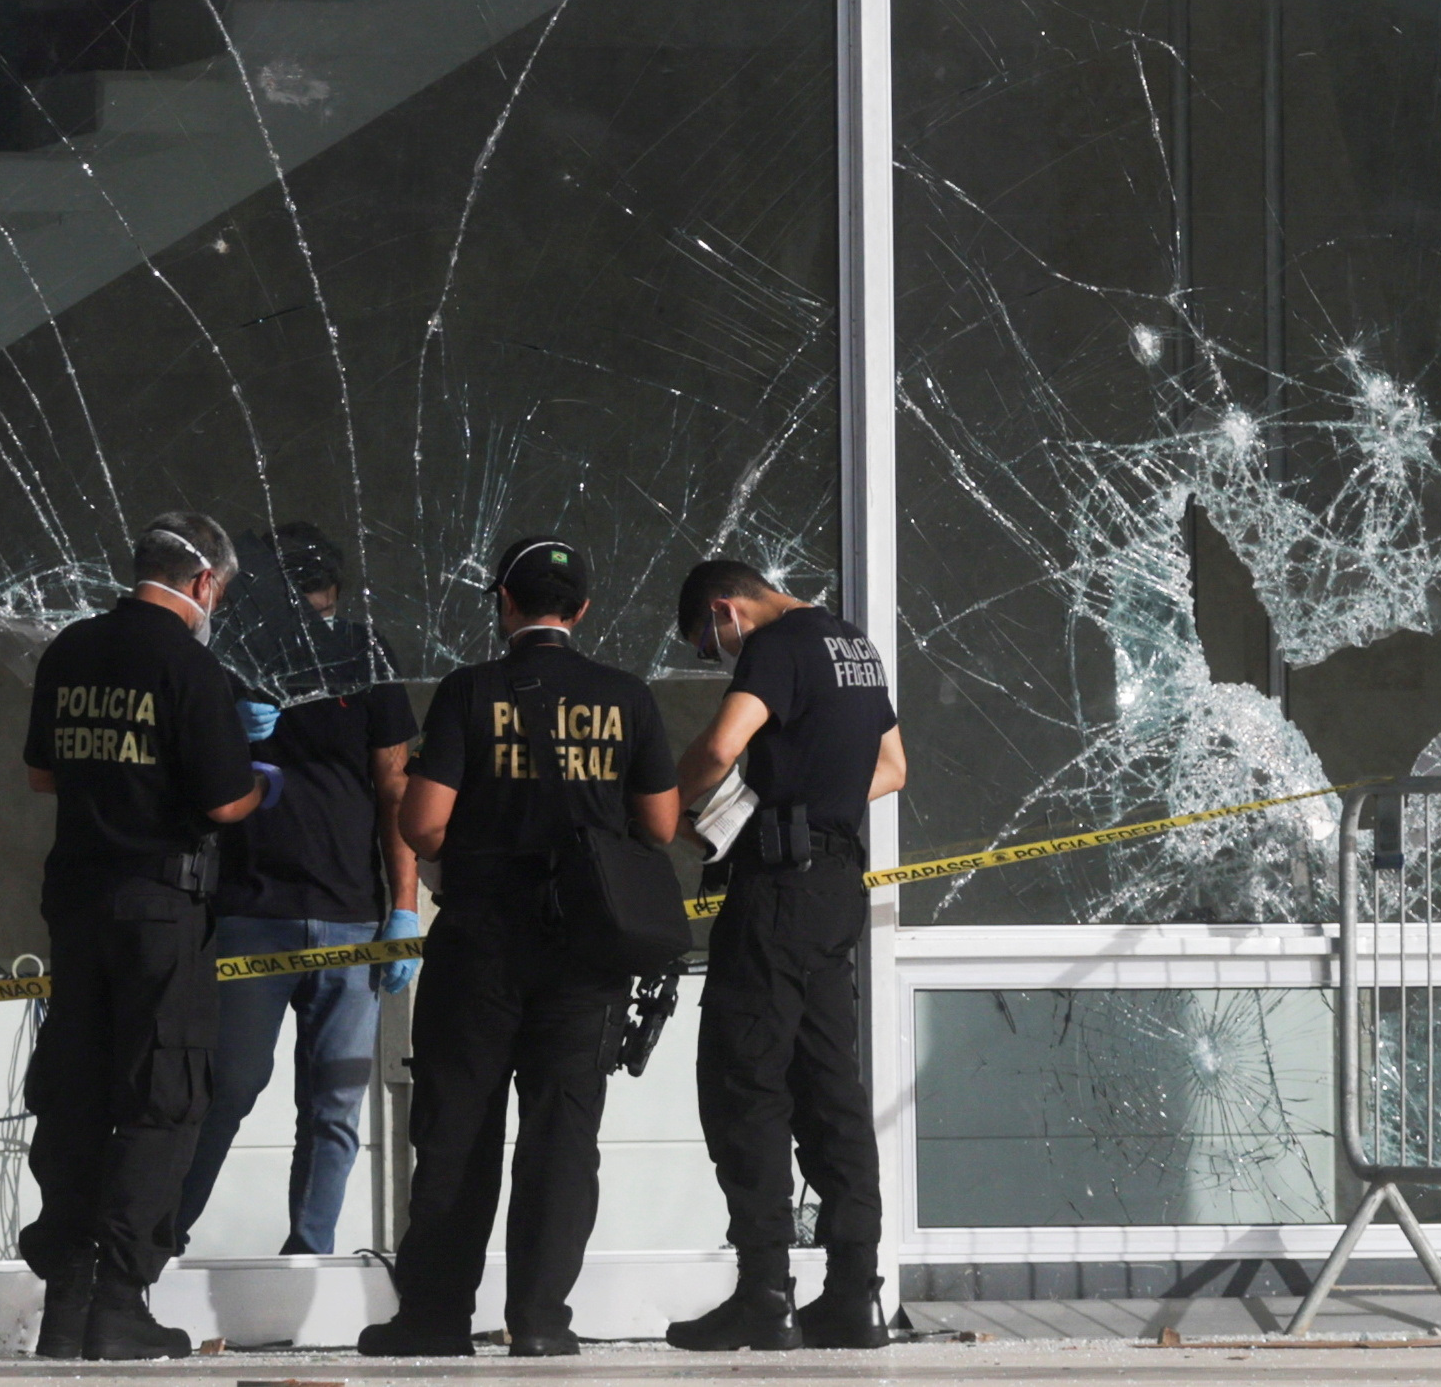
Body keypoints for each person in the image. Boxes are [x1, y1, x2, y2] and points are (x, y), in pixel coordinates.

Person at [358, 538, 677, 1361]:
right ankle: (539, 1321)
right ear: (582, 611)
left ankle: (433, 1318)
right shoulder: (627, 697)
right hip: (586, 952)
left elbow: (422, 823)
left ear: (503, 601)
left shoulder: (472, 692)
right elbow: (662, 825)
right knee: (563, 1135)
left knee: (459, 1126)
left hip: (482, 943)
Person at [21, 512, 269, 1362]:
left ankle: (67, 1303)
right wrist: (261, 781)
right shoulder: (190, 667)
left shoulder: (71, 649)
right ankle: (122, 1300)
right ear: (204, 583)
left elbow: (42, 771)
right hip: (162, 909)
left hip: (78, 903)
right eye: (221, 593)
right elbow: (228, 803)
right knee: (164, 1096)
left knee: (77, 1092)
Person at [663, 561, 904, 1354]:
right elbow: (894, 768)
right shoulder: (856, 645)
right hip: (838, 887)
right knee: (830, 1085)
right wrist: (811, 799)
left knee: (747, 1081)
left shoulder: (775, 644)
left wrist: (656, 807)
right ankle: (855, 1293)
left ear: (727, 609)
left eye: (710, 643)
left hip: (776, 893)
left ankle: (765, 1294)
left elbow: (722, 744)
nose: (721, 656)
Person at [174, 522, 424, 1258]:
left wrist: (402, 906)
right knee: (227, 1088)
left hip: (349, 914)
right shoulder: (229, 661)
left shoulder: (364, 654)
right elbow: (190, 782)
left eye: (316, 587)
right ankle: (158, 1241)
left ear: (335, 591)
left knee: (335, 1104)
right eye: (295, 588)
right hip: (253, 911)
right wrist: (231, 728)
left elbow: (394, 788)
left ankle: (308, 1253)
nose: (309, 602)